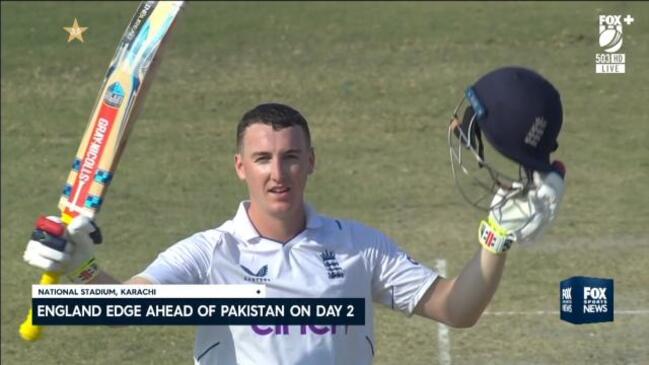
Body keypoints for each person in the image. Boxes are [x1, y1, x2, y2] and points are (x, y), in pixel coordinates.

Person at [24, 66, 566, 364]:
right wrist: (82, 269)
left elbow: (456, 309)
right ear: (241, 167)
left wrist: (495, 241)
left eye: (289, 157)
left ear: (311, 162)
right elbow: (132, 307)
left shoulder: (358, 247)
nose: (276, 173)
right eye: (262, 159)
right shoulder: (212, 252)